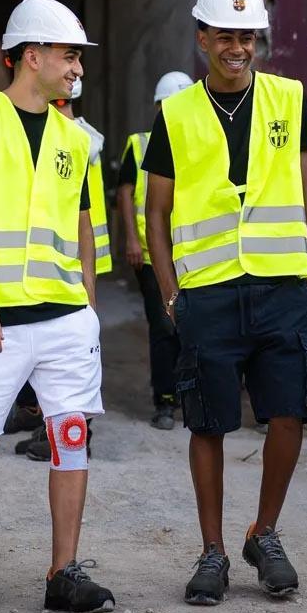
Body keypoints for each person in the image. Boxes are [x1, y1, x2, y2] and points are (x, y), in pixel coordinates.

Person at [144, 0, 307, 605]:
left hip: (281, 288)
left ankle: (264, 533)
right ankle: (213, 552)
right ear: (202, 39)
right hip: (210, 291)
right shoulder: (176, 113)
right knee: (209, 424)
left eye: (248, 36)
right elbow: (156, 213)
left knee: (291, 413)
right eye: (226, 35)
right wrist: (171, 293)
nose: (238, 48)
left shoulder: (291, 98)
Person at [0, 0, 115, 613]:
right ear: (32, 56)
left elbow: (85, 225)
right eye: (69, 55)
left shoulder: (77, 137)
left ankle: (63, 572)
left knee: (71, 438)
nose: (77, 67)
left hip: (64, 319)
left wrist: (88, 307)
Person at [13, 78, 111, 461]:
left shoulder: (78, 141)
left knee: (75, 356)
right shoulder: (72, 138)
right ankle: (48, 431)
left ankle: (75, 434)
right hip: (62, 260)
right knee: (58, 357)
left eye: (58, 103)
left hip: (75, 261)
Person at [117, 71, 193, 430]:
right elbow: (125, 193)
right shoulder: (141, 143)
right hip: (152, 253)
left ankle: (193, 396)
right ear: (159, 107)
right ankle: (165, 400)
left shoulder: (200, 140)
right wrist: (132, 238)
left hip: (196, 252)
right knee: (164, 326)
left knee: (196, 328)